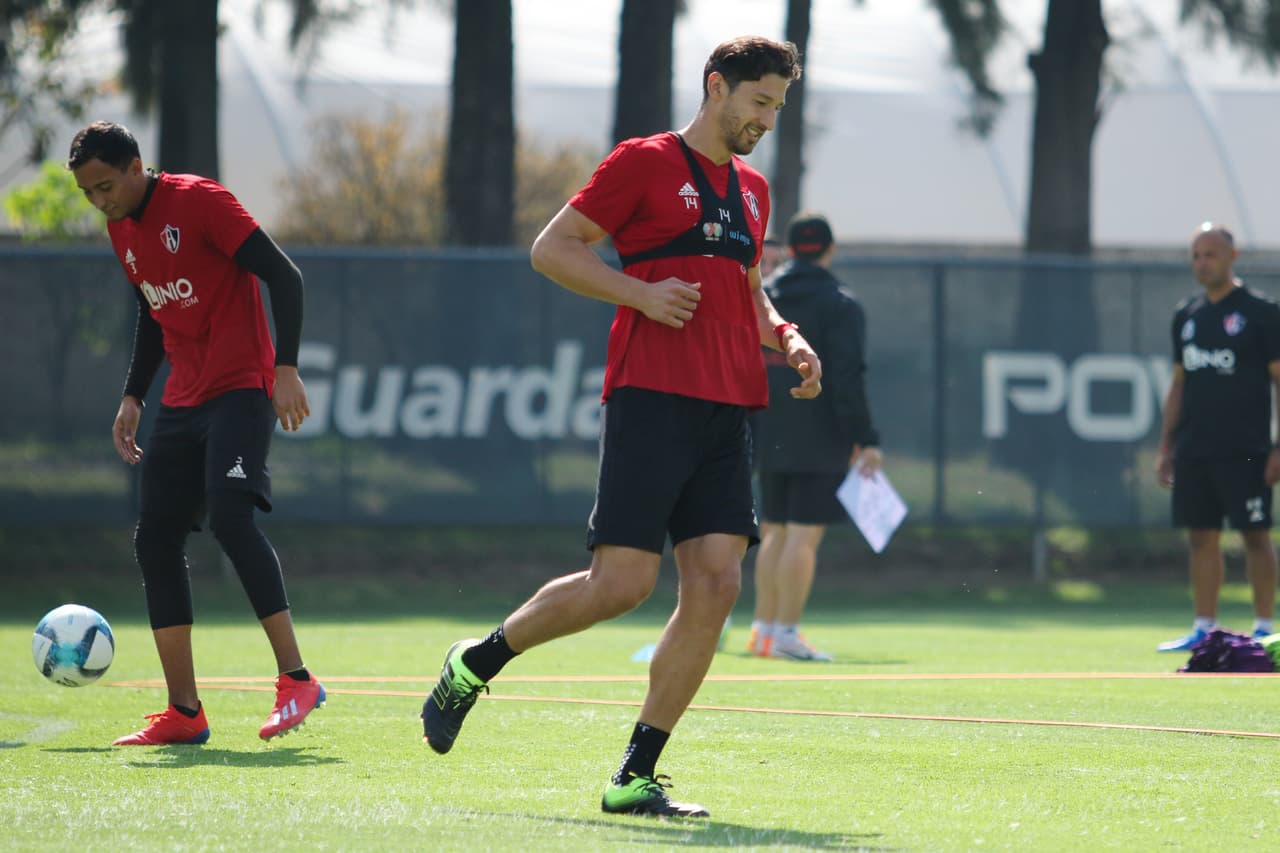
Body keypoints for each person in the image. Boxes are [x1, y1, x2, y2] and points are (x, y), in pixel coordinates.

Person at [420, 36, 815, 818]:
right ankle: (477, 660)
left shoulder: (755, 190)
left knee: (716, 583)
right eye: (759, 101)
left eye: (778, 106)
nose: (768, 119)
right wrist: (638, 294)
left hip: (729, 406)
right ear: (716, 87)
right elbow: (551, 249)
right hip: (652, 398)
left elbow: (748, 287)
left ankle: (635, 774)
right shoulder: (643, 161)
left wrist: (787, 335)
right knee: (623, 586)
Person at [68, 121, 325, 744]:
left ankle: (297, 680)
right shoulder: (120, 229)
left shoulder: (200, 201)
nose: (101, 201)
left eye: (106, 185)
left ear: (135, 167)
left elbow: (284, 276)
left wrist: (285, 369)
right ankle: (184, 712)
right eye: (89, 194)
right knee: (154, 539)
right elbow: (155, 315)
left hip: (241, 384)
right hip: (183, 396)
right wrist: (133, 395)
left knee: (233, 520)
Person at [745, 212, 881, 662]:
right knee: (802, 537)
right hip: (819, 433)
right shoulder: (840, 304)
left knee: (775, 532)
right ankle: (785, 632)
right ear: (828, 249)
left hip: (765, 428)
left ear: (790, 251)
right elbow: (847, 376)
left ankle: (763, 631)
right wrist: (865, 436)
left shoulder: (768, 295)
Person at [1155, 222, 1280, 652]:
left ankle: (1264, 627)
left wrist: (1278, 445)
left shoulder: (1262, 313)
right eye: (1195, 255)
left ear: (1232, 256)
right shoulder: (1186, 316)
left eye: (1210, 254)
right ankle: (1204, 628)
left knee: (1255, 534)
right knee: (1200, 536)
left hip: (1246, 449)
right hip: (1195, 448)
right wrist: (1166, 445)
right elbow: (1178, 385)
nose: (1202, 263)